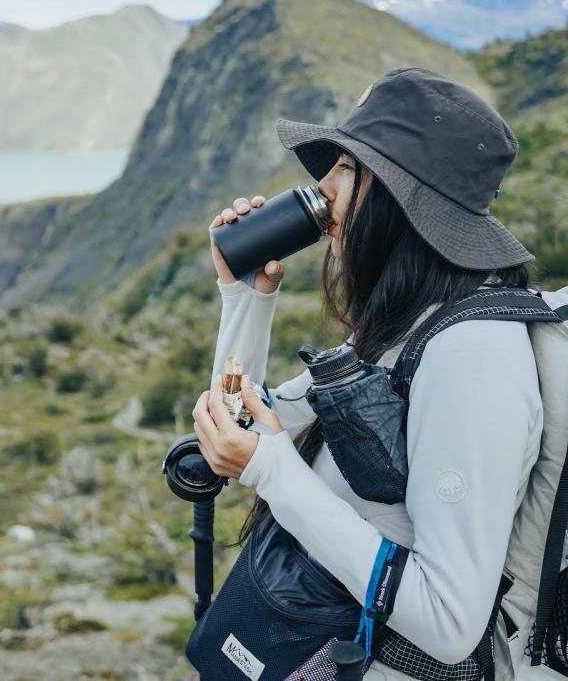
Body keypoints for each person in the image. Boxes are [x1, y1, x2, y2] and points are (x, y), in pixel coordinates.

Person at [192, 67, 541, 679]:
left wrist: (272, 468)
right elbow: (241, 421)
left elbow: (451, 622)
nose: (322, 191)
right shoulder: (403, 326)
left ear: (405, 201)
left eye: (347, 169)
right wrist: (245, 298)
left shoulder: (471, 358)